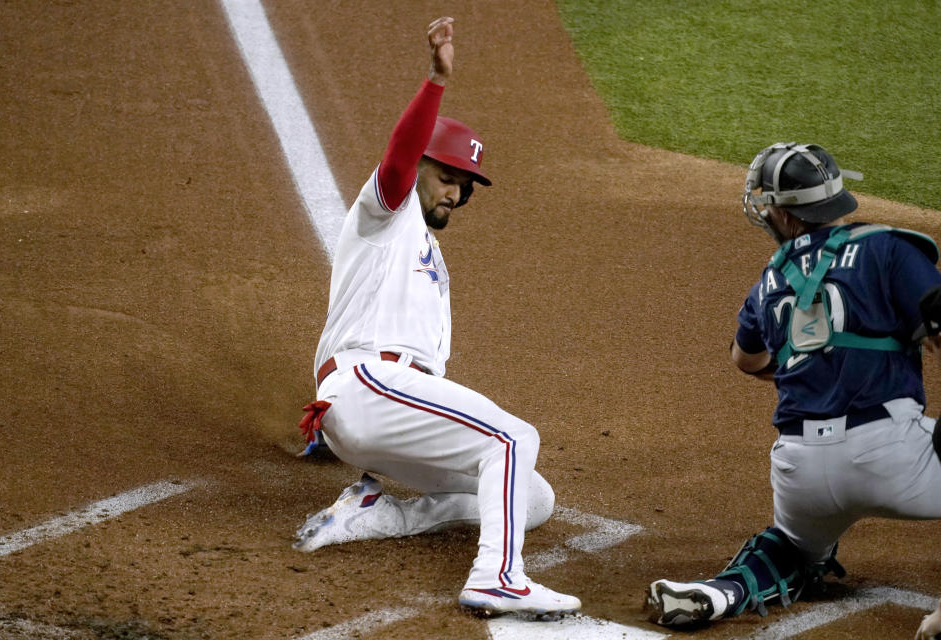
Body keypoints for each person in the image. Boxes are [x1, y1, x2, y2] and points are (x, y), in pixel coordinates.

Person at [293, 17, 580, 619]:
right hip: (367, 387)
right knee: (514, 437)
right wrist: (435, 82)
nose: (454, 192)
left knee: (533, 498)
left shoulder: (429, 256)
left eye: (463, 186)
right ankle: (497, 577)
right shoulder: (385, 217)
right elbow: (397, 160)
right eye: (445, 176)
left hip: (381, 414)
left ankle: (379, 514)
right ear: (421, 169)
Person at [645, 142, 941, 628]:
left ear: (783, 214)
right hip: (894, 457)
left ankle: (719, 594)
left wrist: (814, 367)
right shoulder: (886, 247)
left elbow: (746, 359)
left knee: (796, 549)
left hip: (800, 469)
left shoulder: (769, 280)